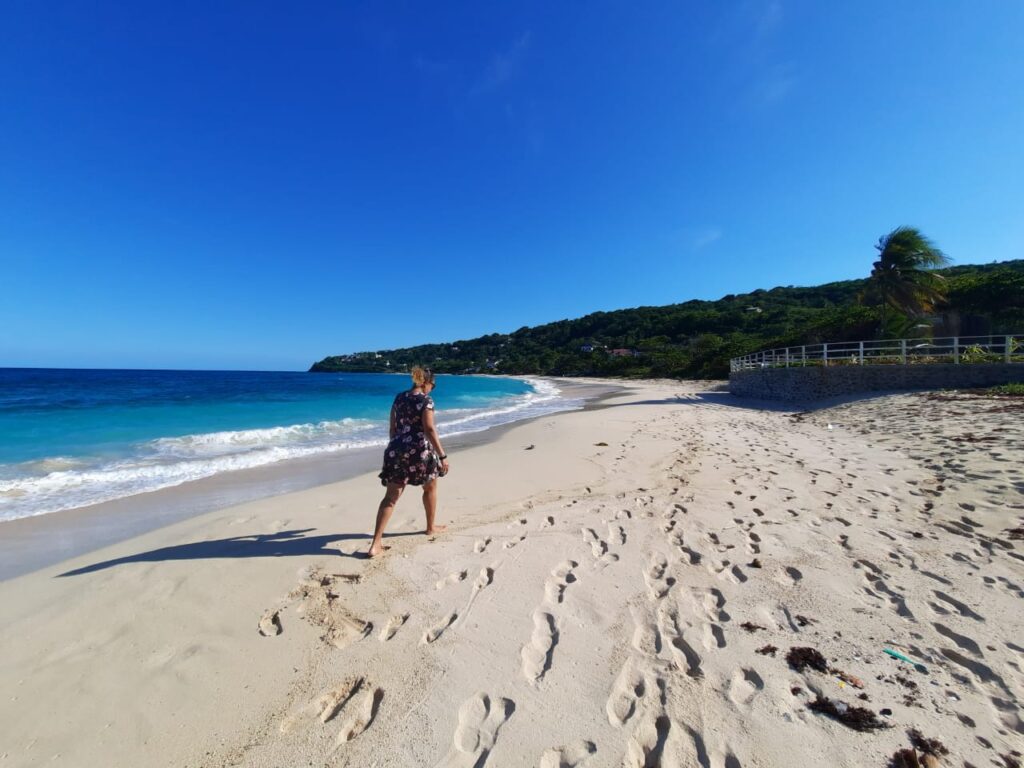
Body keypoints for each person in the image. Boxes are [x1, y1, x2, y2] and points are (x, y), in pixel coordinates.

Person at [367, 366, 451, 557]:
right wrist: (442, 456)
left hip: (396, 450)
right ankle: (430, 527)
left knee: (390, 498)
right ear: (426, 382)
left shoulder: (399, 397)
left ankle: (375, 544)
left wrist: (396, 447)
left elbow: (392, 428)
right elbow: (429, 429)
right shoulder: (426, 400)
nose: (432, 389)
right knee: (430, 488)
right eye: (433, 385)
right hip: (419, 452)